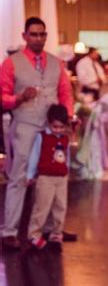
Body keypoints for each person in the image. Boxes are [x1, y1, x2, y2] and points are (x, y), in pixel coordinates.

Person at [0, 17, 74, 250]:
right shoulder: (11, 63)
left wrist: (68, 118)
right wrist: (20, 98)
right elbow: (2, 98)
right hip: (24, 126)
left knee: (54, 177)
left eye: (42, 34)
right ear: (25, 36)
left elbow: (65, 93)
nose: (39, 38)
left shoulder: (56, 63)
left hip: (52, 129)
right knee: (19, 178)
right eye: (34, 34)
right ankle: (10, 232)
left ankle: (53, 230)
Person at [26, 104, 70, 250]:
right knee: (42, 207)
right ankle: (34, 235)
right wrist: (30, 175)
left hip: (61, 178)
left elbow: (66, 156)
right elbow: (34, 156)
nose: (58, 130)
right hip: (45, 178)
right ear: (49, 123)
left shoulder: (65, 139)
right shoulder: (42, 136)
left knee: (60, 206)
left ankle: (56, 233)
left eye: (61, 127)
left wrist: (66, 170)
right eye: (55, 126)